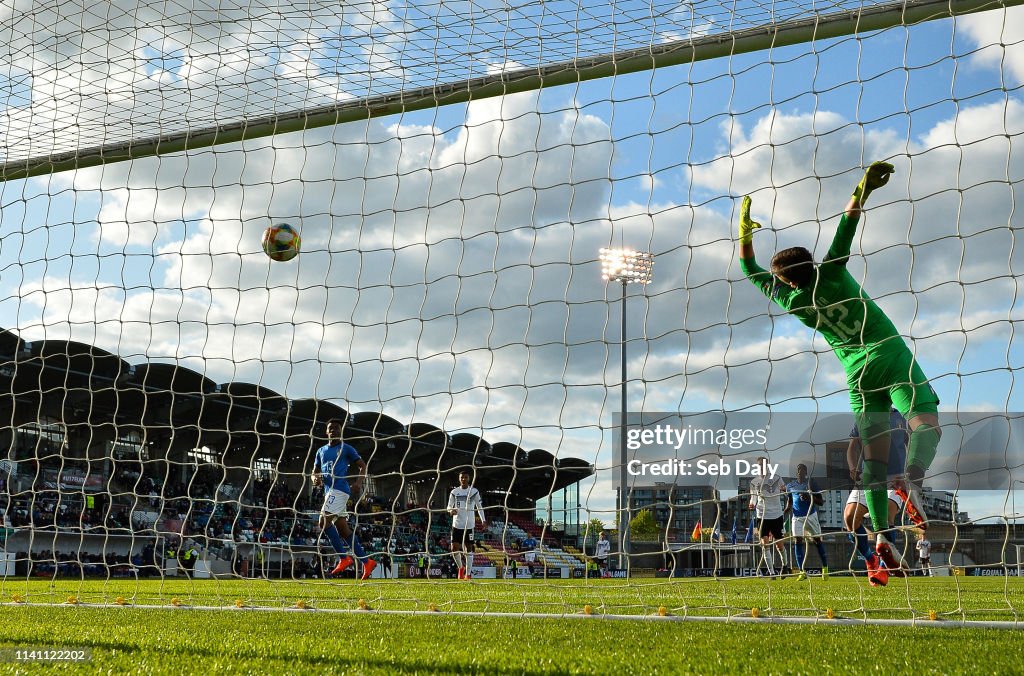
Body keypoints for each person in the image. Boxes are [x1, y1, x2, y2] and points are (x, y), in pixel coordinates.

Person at [737, 161, 941, 577]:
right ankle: (913, 480)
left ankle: (882, 536)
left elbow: (749, 269)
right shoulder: (832, 269)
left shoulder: (794, 302)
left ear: (788, 281)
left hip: (857, 376)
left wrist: (744, 234)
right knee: (926, 424)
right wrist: (863, 186)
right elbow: (847, 223)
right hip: (890, 353)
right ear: (810, 263)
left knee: (876, 465)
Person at [312, 418, 376, 580]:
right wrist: (315, 478)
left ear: (341, 431)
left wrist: (359, 482)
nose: (333, 430)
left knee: (323, 522)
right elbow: (315, 470)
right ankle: (366, 561)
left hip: (339, 489)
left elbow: (363, 465)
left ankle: (343, 558)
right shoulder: (320, 451)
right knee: (343, 530)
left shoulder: (346, 448)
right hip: (329, 492)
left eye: (336, 428)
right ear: (326, 432)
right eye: (330, 428)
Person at [784, 464, 829, 580]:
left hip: (811, 516)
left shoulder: (811, 484)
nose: (800, 472)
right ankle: (801, 571)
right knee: (797, 540)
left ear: (806, 472)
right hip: (797, 517)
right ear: (796, 472)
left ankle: (825, 568)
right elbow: (789, 501)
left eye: (803, 470)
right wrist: (785, 511)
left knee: (817, 540)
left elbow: (821, 502)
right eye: (798, 470)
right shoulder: (790, 486)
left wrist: (809, 498)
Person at [748, 457, 787, 577]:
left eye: (763, 465)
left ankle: (785, 566)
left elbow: (785, 491)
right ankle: (771, 572)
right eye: (759, 465)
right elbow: (753, 498)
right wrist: (752, 504)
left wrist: (788, 495)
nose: (761, 467)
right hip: (762, 515)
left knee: (779, 544)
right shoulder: (754, 482)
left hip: (776, 515)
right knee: (765, 544)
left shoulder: (777, 478)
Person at [447, 470, 486, 580]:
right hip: (457, 524)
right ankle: (461, 568)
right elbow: (449, 506)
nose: (463, 479)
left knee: (468, 548)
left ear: (469, 479)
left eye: (465, 477)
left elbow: (479, 507)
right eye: (462, 477)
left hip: (469, 525)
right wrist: (451, 511)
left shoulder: (474, 491)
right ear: (459, 479)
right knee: (454, 548)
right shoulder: (454, 492)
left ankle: (468, 574)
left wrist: (483, 520)